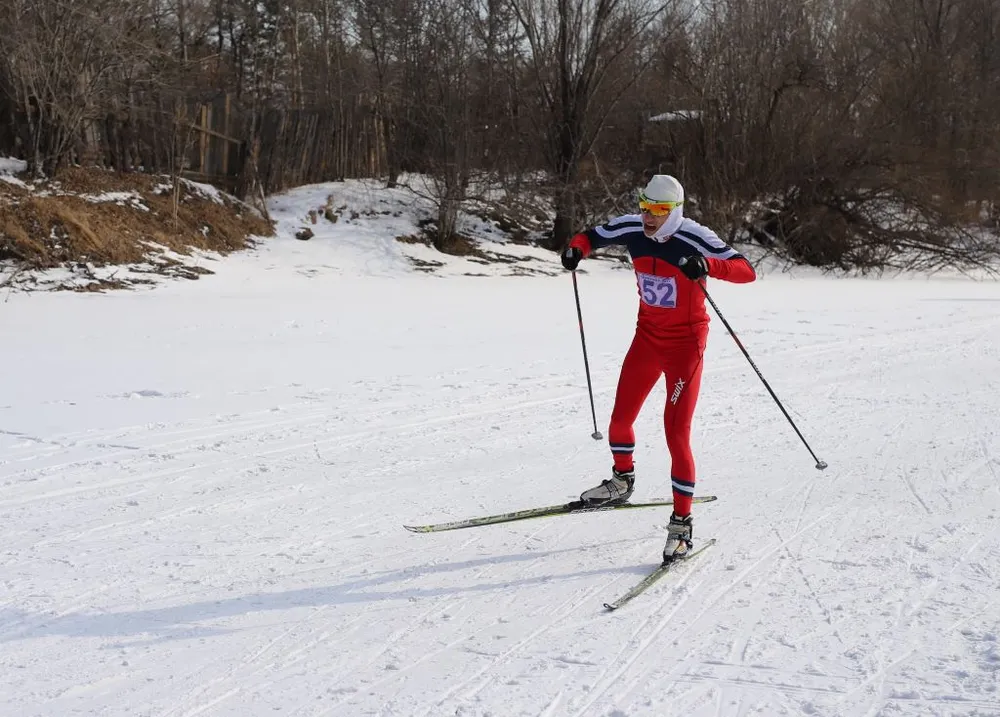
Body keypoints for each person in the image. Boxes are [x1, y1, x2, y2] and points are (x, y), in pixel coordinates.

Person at [561, 174, 756, 563]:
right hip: (647, 338)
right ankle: (621, 480)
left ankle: (682, 525)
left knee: (676, 434)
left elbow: (745, 270)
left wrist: (707, 265)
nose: (648, 217)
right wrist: (575, 249)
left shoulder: (693, 235)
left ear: (674, 212)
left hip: (685, 346)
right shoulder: (633, 227)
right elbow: (590, 235)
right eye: (644, 207)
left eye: (658, 211)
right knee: (620, 419)